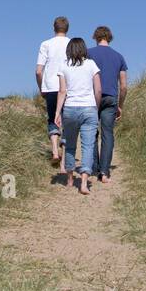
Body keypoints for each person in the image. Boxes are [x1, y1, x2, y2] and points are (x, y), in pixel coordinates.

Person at [54, 37, 101, 195]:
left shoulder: (63, 66)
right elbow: (98, 90)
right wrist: (96, 107)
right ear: (83, 49)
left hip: (70, 109)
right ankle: (84, 183)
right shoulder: (91, 64)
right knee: (88, 146)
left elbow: (62, 91)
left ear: (69, 50)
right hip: (89, 108)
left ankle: (69, 179)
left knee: (70, 144)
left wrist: (57, 113)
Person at [87, 26, 128, 181]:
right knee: (107, 134)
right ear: (109, 37)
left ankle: (93, 167)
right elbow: (123, 86)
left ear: (95, 37)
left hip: (91, 97)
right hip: (111, 98)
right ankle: (104, 172)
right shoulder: (119, 57)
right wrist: (120, 105)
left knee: (91, 131)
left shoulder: (88, 54)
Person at [35, 16, 70, 165]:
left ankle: (55, 151)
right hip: (68, 87)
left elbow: (38, 71)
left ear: (54, 28)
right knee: (67, 121)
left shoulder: (45, 44)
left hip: (49, 87)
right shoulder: (72, 44)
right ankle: (64, 163)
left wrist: (41, 88)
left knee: (52, 119)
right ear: (67, 28)